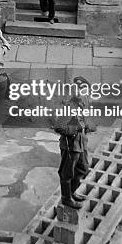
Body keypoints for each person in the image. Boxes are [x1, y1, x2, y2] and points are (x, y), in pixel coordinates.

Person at [53, 81, 96, 209]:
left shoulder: (82, 105)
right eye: (82, 91)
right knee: (66, 174)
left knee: (83, 168)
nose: (85, 94)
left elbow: (84, 121)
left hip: (81, 143)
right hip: (70, 146)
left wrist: (88, 127)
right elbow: (59, 127)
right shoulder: (69, 107)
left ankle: (71, 192)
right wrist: (74, 130)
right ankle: (66, 199)